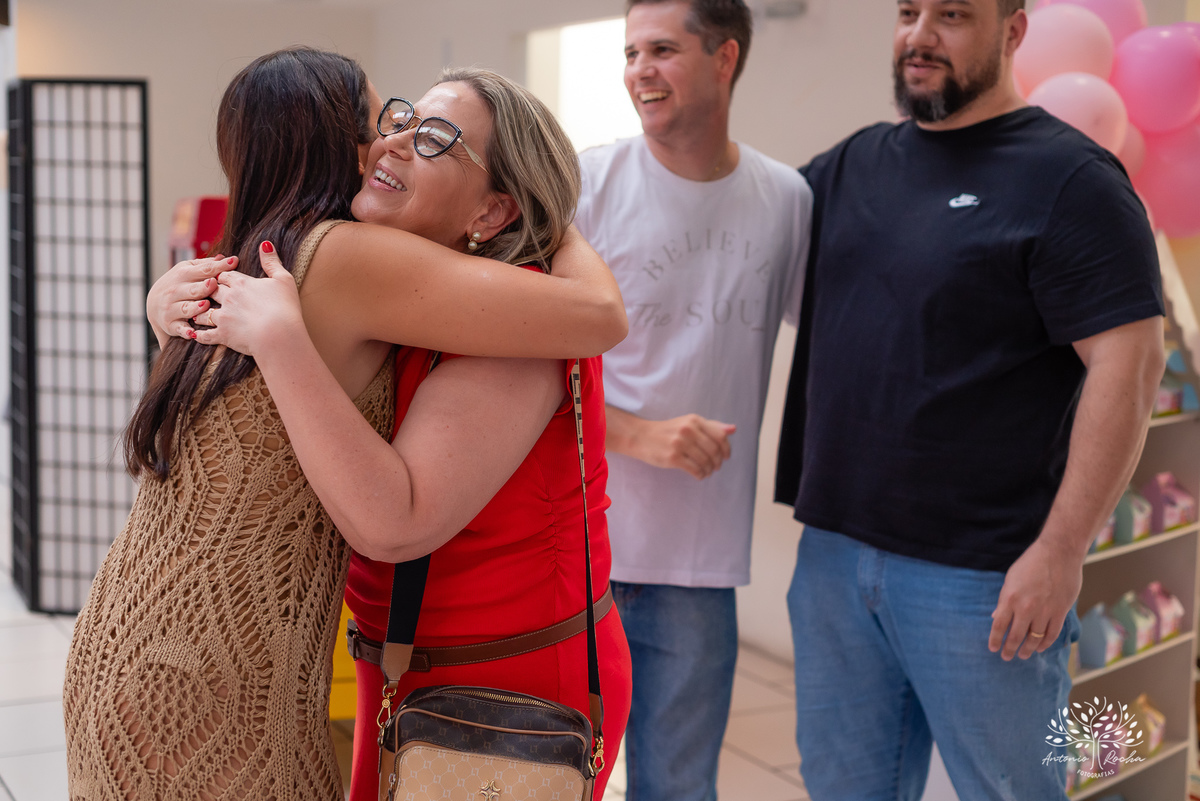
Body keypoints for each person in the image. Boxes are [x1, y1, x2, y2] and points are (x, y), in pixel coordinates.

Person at [64, 49, 626, 801]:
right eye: (389, 120)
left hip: (487, 673)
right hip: (250, 664)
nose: (391, 141)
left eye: (430, 138)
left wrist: (553, 221)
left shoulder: (309, 261)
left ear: (493, 210)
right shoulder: (336, 263)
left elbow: (599, 319)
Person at [774, 1, 1164, 799]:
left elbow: (1128, 367)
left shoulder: (1072, 179)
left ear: (1013, 31)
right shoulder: (851, 165)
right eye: (909, 11)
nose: (920, 34)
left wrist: (1061, 552)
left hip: (985, 579)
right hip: (834, 559)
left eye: (951, 13)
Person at [573, 0, 811, 797]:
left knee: (678, 787)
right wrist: (638, 435)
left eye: (663, 50)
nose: (640, 70)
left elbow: (837, 348)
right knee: (550, 778)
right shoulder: (587, 183)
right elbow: (521, 364)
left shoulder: (786, 199)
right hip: (577, 553)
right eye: (632, 52)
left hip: (699, 570)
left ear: (725, 58)